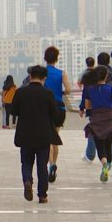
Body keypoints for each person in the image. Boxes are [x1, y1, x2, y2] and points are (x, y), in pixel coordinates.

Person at [11, 64, 63, 203]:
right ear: (44, 78)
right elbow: (55, 115)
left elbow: (13, 111)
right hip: (43, 135)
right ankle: (42, 195)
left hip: (25, 134)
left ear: (30, 76)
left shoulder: (21, 92)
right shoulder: (48, 93)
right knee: (42, 166)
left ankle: (27, 180)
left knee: (26, 162)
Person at [83, 65, 112, 184]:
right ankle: (108, 166)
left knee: (99, 146)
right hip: (109, 118)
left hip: (96, 119)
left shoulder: (90, 89)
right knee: (108, 145)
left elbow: (87, 106)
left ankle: (104, 164)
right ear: (106, 76)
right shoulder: (110, 88)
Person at [43, 46, 71, 182]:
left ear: (45, 58)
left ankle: (51, 164)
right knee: (55, 137)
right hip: (59, 108)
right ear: (57, 58)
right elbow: (69, 89)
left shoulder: (42, 73)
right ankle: (54, 165)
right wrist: (61, 93)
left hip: (45, 108)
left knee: (47, 138)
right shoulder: (61, 73)